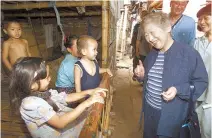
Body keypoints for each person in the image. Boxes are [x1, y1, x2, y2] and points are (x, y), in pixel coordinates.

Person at [134, 12, 208, 138]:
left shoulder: (189, 54)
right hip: (150, 115)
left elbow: (201, 82)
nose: (150, 39)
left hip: (173, 120)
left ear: (167, 27)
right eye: (146, 35)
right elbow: (149, 81)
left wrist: (178, 90)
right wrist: (141, 76)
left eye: (152, 32)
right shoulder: (152, 55)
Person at [9, 57, 107, 138]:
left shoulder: (43, 92)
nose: (50, 78)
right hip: (57, 134)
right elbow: (60, 123)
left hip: (61, 129)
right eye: (47, 77)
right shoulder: (30, 104)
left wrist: (89, 92)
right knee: (88, 125)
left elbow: (66, 98)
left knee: (88, 119)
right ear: (32, 84)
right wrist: (86, 103)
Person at [194, 3, 211, 138]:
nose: (202, 22)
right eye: (200, 19)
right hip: (199, 94)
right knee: (198, 129)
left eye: (206, 18)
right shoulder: (198, 42)